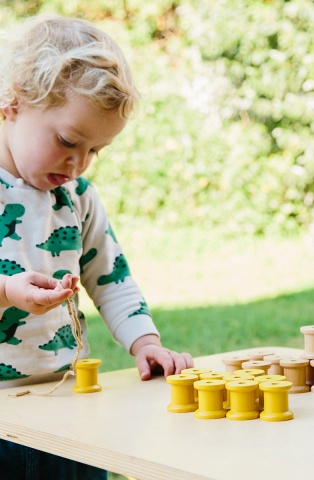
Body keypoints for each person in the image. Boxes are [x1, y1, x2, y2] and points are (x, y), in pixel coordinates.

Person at [0, 14, 194, 479]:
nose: (79, 163)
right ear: (13, 103)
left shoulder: (78, 198)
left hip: (71, 411)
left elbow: (112, 280)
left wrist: (146, 342)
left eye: (95, 151)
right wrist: (7, 292)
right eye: (68, 141)